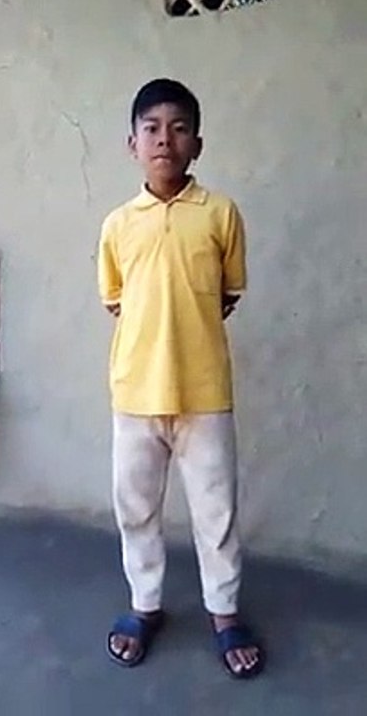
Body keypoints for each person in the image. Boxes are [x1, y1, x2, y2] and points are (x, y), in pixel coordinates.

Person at [98, 78, 264, 679]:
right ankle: (145, 604)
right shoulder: (118, 224)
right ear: (133, 145)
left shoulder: (220, 214)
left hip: (204, 393)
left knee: (215, 511)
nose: (164, 139)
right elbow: (117, 300)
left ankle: (224, 612)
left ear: (197, 144)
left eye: (179, 128)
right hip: (135, 392)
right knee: (136, 509)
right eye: (151, 129)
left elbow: (228, 293)